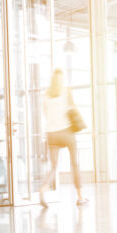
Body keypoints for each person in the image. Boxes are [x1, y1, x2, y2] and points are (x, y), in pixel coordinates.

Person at [40, 69, 87, 206]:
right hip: (66, 132)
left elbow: (46, 114)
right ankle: (80, 196)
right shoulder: (66, 91)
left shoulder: (45, 95)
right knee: (74, 164)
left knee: (54, 166)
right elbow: (74, 109)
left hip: (52, 134)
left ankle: (43, 189)